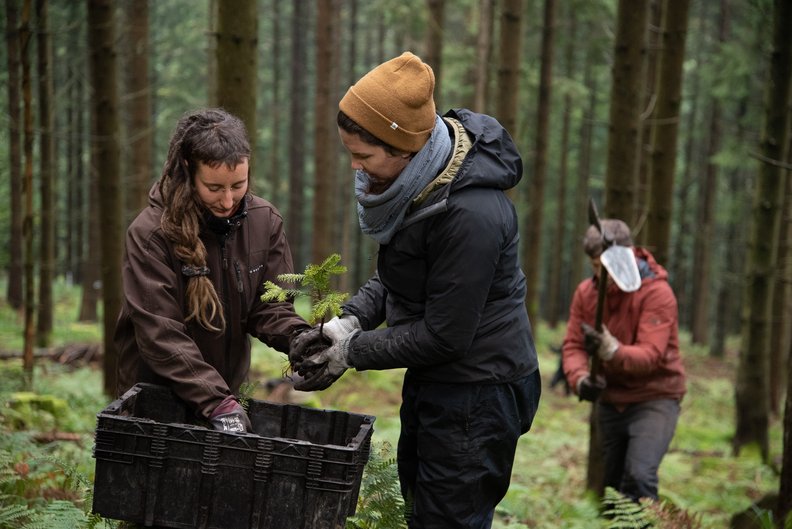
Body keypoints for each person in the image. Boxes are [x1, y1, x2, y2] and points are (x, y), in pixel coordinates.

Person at [292, 51, 541, 529]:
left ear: (403, 147)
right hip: (440, 382)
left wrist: (352, 351)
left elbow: (447, 335)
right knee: (422, 513)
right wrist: (351, 319)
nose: (354, 168)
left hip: (479, 393)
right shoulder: (422, 184)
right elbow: (398, 277)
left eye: (363, 156)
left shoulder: (471, 216)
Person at [115, 108, 310, 434]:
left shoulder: (264, 222)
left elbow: (270, 306)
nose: (228, 199)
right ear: (188, 170)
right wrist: (216, 402)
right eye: (214, 187)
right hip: (155, 405)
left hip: (225, 397)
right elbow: (160, 334)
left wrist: (301, 339)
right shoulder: (151, 236)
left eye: (238, 184)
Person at [561, 219, 686, 502]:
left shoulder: (657, 293)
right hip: (611, 401)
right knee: (614, 490)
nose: (601, 274)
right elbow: (573, 345)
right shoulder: (586, 293)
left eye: (604, 265)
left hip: (654, 398)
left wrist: (612, 351)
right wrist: (579, 378)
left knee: (640, 477)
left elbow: (650, 356)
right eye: (595, 267)